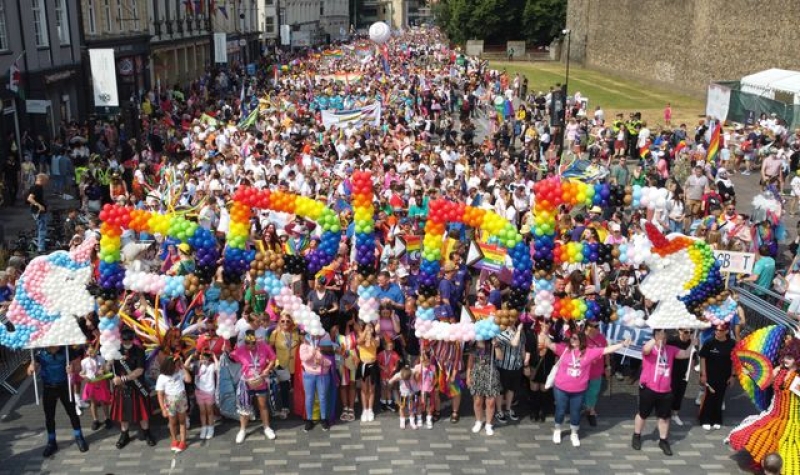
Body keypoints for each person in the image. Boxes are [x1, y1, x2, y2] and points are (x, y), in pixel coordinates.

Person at [543, 331, 631, 447]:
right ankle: (557, 429)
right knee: (560, 410)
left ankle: (574, 433)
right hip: (561, 388)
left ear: (581, 341)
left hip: (578, 390)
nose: (572, 340)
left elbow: (606, 350)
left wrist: (622, 345)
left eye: (575, 338)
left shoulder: (589, 352)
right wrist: (544, 333)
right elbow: (549, 344)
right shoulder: (564, 349)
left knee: (575, 412)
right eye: (571, 338)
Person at [728, 339, 799, 473]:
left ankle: (776, 467)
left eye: (790, 357)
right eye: (785, 356)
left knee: (789, 450)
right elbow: (765, 382)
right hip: (775, 415)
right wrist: (751, 374)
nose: (785, 360)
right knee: (757, 436)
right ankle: (765, 464)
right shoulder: (779, 370)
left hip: (792, 421)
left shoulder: (798, 378)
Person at [631, 328, 693, 456]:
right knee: (643, 413)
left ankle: (663, 440)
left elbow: (685, 354)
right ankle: (637, 435)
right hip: (649, 388)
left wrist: (693, 343)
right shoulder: (650, 347)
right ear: (654, 337)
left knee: (664, 417)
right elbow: (645, 350)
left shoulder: (670, 349)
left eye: (665, 338)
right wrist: (656, 339)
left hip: (665, 389)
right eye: (660, 337)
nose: (663, 340)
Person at [28, 346, 89, 457]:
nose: (53, 346)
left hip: (64, 387)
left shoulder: (67, 349)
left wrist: (72, 369)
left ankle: (79, 437)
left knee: (72, 413)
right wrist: (31, 368)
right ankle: (51, 442)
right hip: (48, 387)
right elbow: (30, 369)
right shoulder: (40, 352)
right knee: (49, 416)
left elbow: (79, 367)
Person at [111, 328, 156, 448]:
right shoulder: (115, 351)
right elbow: (109, 369)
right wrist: (106, 365)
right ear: (121, 339)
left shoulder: (139, 351)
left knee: (143, 413)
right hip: (122, 388)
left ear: (133, 338)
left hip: (137, 386)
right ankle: (124, 434)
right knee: (123, 415)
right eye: (125, 340)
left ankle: (147, 433)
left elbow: (140, 370)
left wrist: (124, 378)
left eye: (130, 339)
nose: (127, 342)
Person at [230, 330, 277, 443]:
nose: (250, 345)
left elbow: (273, 358)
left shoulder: (263, 346)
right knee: (244, 408)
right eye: (247, 343)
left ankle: (266, 427)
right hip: (247, 383)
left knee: (262, 405)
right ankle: (242, 430)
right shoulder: (240, 350)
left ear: (256, 341)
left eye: (252, 343)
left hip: (261, 380)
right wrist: (227, 349)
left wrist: (267, 369)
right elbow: (230, 357)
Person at [698, 322, 736, 430]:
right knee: (709, 397)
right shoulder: (709, 342)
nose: (717, 332)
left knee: (720, 397)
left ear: (727, 331)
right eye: (716, 329)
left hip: (724, 375)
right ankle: (705, 419)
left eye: (720, 330)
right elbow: (702, 358)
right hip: (710, 375)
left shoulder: (732, 344)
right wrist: (703, 374)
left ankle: (716, 419)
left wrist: (733, 376)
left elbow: (734, 361)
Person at [155, 355, 192, 453]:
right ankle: (174, 439)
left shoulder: (180, 372)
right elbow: (160, 394)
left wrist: (183, 368)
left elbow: (188, 380)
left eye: (178, 365)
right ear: (169, 366)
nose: (177, 367)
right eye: (176, 365)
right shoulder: (162, 377)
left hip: (181, 399)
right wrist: (163, 409)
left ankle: (183, 441)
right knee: (172, 422)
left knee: (182, 421)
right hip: (169, 401)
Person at [467, 339, 502, 436]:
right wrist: (468, 377)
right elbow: (470, 362)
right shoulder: (473, 344)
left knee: (490, 402)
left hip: (490, 374)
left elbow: (499, 357)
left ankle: (488, 424)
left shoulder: (493, 342)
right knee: (478, 401)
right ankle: (478, 421)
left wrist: (496, 346)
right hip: (477, 373)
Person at [299, 333, 333, 432]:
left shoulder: (325, 344)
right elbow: (303, 358)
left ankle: (324, 419)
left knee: (322, 397)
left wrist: (322, 361)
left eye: (316, 333)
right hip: (309, 375)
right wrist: (312, 353)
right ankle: (309, 420)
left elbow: (331, 361)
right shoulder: (304, 345)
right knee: (309, 397)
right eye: (311, 333)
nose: (314, 335)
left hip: (323, 375)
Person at [493, 322, 525, 423]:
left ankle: (508, 408)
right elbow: (514, 343)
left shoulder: (520, 333)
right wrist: (519, 330)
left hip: (517, 366)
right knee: (501, 390)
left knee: (512, 389)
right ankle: (499, 411)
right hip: (504, 366)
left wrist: (525, 364)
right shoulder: (502, 333)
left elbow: (522, 348)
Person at [582, 317, 610, 427]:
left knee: (593, 392)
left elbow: (606, 352)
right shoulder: (581, 337)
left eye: (598, 326)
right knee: (582, 391)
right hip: (583, 371)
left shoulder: (601, 338)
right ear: (588, 327)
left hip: (597, 371)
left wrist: (608, 366)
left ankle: (591, 410)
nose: (598, 328)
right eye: (595, 326)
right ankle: (583, 407)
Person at [79, 343, 113, 431]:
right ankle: (95, 420)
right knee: (93, 402)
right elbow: (82, 372)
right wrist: (84, 377)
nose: (91, 353)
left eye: (93, 350)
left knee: (104, 402)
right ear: (86, 352)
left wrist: (104, 370)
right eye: (89, 351)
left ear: (96, 350)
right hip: (91, 383)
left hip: (101, 383)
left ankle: (107, 418)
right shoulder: (84, 361)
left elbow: (105, 370)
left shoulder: (101, 359)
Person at [192, 350, 219, 439]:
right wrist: (192, 356)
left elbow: (218, 367)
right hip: (199, 392)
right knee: (202, 412)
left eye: (206, 358)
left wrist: (214, 356)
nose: (204, 360)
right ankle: (204, 428)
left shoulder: (211, 366)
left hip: (209, 392)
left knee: (210, 412)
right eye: (203, 358)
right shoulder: (197, 365)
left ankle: (211, 428)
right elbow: (185, 365)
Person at [357, 321, 380, 421]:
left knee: (371, 389)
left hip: (373, 365)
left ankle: (370, 409)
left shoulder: (376, 338)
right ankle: (364, 410)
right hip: (363, 365)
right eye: (367, 328)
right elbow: (359, 342)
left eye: (371, 327)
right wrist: (365, 333)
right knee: (364, 389)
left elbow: (376, 344)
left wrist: (371, 337)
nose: (369, 329)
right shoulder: (361, 337)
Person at [26, 173, 50, 254]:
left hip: (36, 211)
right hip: (39, 212)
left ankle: (39, 244)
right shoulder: (37, 187)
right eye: (46, 180)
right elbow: (29, 198)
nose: (47, 183)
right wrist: (39, 205)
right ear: (42, 179)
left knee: (41, 228)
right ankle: (41, 248)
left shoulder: (34, 187)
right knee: (42, 229)